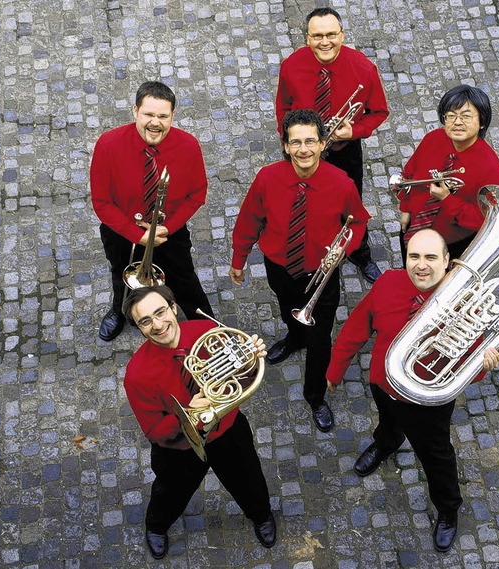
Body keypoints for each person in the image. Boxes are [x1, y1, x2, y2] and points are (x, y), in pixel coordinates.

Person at [326, 229, 499, 553]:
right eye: (414, 256)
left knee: (436, 456)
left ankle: (448, 509)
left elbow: (465, 368)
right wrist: (335, 369)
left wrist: (483, 363)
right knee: (388, 423)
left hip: (428, 401)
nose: (421, 265)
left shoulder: (467, 304)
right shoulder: (389, 283)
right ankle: (386, 444)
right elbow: (356, 326)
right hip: (384, 383)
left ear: (448, 262)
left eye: (431, 257)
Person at [229, 109, 371, 433]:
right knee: (286, 308)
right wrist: (239, 258)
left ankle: (315, 395)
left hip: (321, 274)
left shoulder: (341, 183)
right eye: (296, 142)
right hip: (280, 266)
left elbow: (358, 221)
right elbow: (250, 220)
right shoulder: (267, 178)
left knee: (321, 339)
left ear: (323, 144)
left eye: (310, 141)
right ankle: (294, 338)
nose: (303, 149)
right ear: (285, 145)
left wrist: (344, 249)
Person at [122, 285, 276, 559]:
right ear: (139, 328)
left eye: (160, 312)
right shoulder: (136, 374)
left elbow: (241, 382)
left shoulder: (207, 332)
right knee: (169, 493)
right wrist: (186, 415)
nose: (157, 325)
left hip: (227, 432)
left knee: (249, 479)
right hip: (179, 449)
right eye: (145, 321)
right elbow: (155, 432)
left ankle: (261, 515)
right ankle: (156, 526)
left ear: (173, 307)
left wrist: (251, 361)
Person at [91, 80, 213, 341]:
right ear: (135, 111)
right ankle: (120, 312)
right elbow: (101, 202)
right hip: (122, 233)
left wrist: (169, 227)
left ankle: (208, 328)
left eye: (162, 116)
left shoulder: (188, 145)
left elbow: (197, 194)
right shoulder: (108, 144)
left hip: (169, 233)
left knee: (185, 279)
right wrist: (137, 235)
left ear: (172, 116)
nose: (155, 123)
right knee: (121, 275)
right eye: (148, 114)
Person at [276, 7, 389, 284]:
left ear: (342, 35)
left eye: (331, 35)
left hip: (343, 150)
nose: (325, 42)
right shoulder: (291, 66)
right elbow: (284, 107)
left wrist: (355, 130)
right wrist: (290, 141)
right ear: (307, 38)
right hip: (303, 150)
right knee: (304, 201)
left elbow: (379, 112)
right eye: (317, 36)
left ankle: (359, 253)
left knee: (351, 205)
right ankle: (310, 249)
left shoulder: (363, 67)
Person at [395, 84, 499, 264]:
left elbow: (485, 220)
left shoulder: (491, 169)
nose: (457, 122)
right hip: (413, 229)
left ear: (482, 122)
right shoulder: (433, 139)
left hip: (451, 244)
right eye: (451, 116)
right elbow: (410, 175)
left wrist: (447, 200)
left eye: (466, 116)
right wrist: (405, 209)